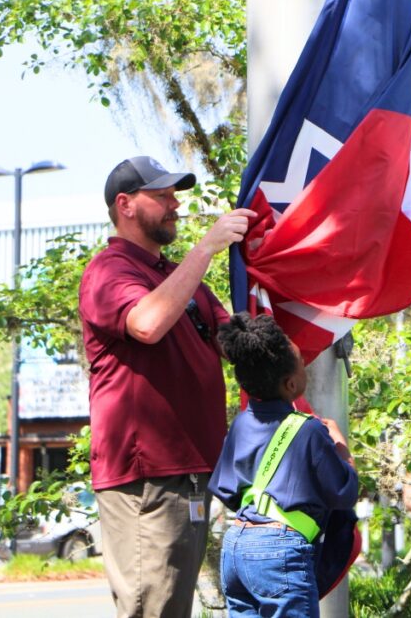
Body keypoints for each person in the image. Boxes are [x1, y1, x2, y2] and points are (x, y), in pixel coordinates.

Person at [79, 155, 255, 617]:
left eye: (174, 194)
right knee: (151, 610)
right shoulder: (108, 271)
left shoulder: (173, 275)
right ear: (126, 205)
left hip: (190, 472)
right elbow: (148, 323)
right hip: (146, 480)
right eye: (161, 195)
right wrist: (207, 248)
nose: (174, 204)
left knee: (170, 608)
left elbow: (237, 343)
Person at [208, 313, 358, 617]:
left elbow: (224, 488)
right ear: (291, 384)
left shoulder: (240, 425)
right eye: (302, 362)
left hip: (237, 545)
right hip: (280, 548)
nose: (305, 367)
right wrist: (342, 450)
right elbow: (344, 492)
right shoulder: (310, 430)